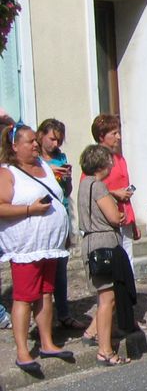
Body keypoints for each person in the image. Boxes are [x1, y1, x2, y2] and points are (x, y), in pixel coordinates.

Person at [0, 123, 74, 376]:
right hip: (26, 247)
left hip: (48, 245)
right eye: (29, 141)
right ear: (14, 146)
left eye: (35, 140)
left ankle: (47, 342)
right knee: (24, 296)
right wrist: (30, 209)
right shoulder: (7, 173)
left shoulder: (43, 166)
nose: (35, 144)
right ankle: (22, 351)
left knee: (45, 293)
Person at [77, 144, 133, 366]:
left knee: (105, 297)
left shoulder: (84, 184)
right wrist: (119, 212)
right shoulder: (99, 186)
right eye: (109, 161)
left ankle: (95, 336)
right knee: (107, 299)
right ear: (102, 164)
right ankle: (105, 350)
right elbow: (114, 218)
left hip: (91, 242)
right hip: (103, 243)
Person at [37, 118, 86, 331]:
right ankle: (40, 320)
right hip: (40, 218)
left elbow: (67, 191)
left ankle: (64, 313)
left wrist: (66, 177)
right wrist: (50, 172)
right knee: (41, 272)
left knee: (61, 269)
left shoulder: (61, 157)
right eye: (52, 139)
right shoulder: (34, 159)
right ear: (40, 135)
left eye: (59, 140)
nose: (55, 144)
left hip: (62, 214)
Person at [91, 114, 139, 270]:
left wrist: (133, 223)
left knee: (128, 261)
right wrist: (113, 193)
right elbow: (90, 187)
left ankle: (128, 293)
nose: (118, 137)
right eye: (114, 133)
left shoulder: (119, 159)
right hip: (106, 220)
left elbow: (125, 190)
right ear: (101, 136)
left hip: (124, 217)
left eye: (118, 133)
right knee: (112, 265)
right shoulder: (94, 160)